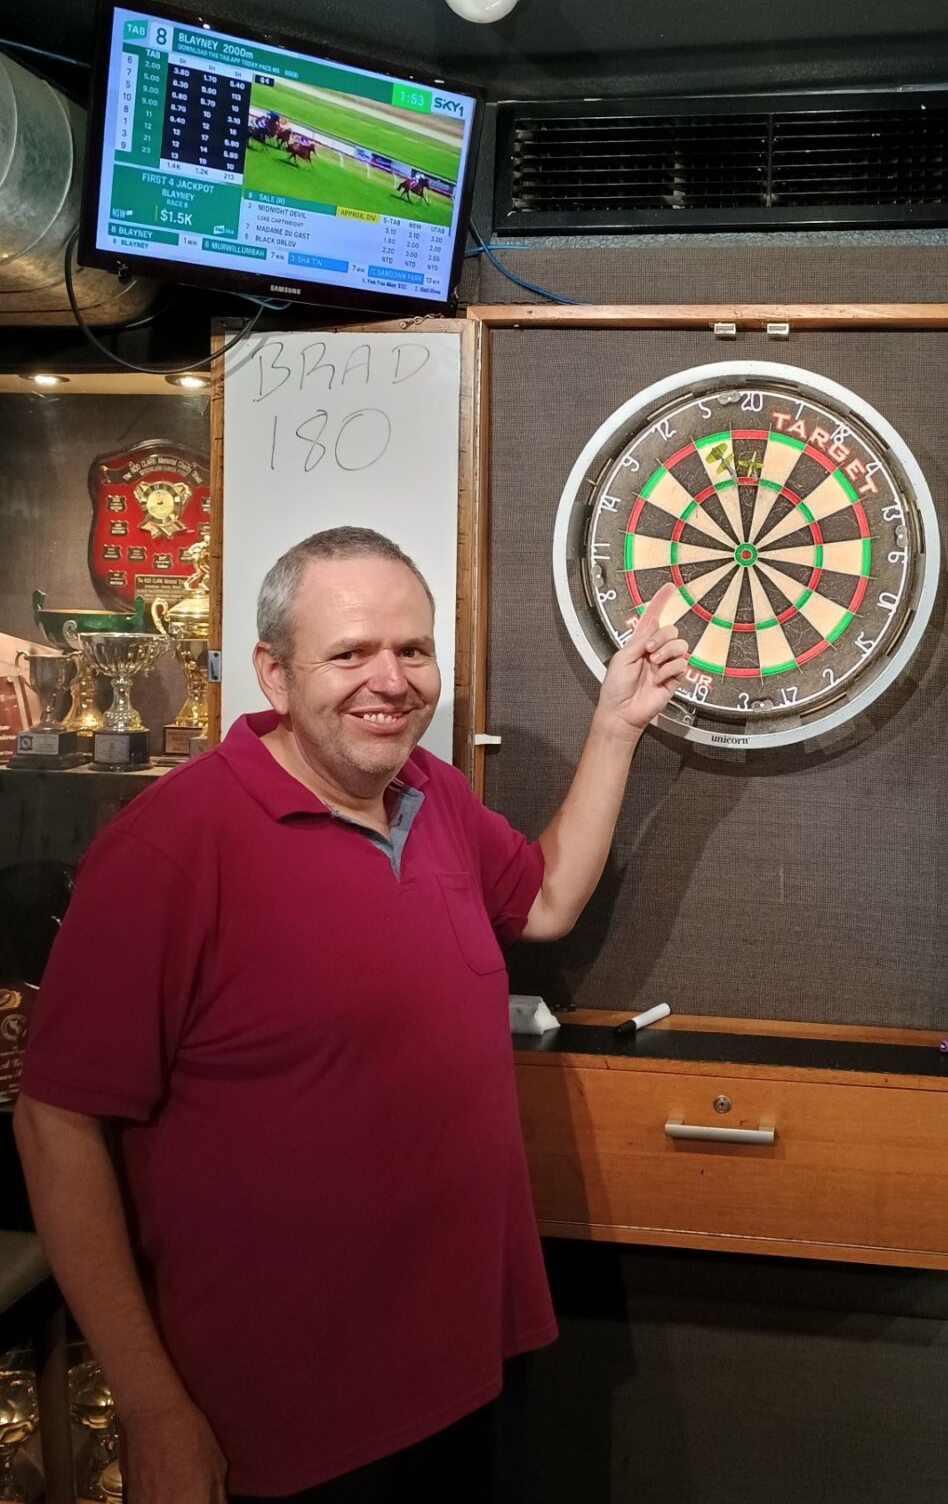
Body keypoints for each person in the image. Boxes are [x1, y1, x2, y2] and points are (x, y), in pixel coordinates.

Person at [15, 526, 689, 1503]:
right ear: (274, 675)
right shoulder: (167, 848)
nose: (390, 680)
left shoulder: (431, 794)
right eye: (349, 653)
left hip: (471, 1369)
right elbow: (56, 1126)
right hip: (288, 1421)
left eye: (412, 649)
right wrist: (153, 1408)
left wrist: (616, 728)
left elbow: (544, 900)